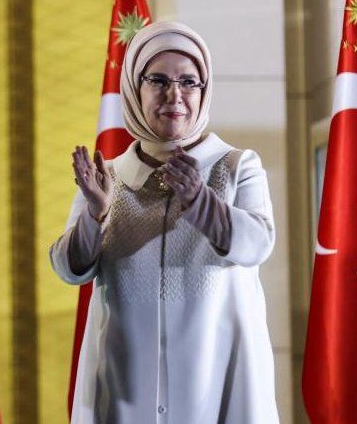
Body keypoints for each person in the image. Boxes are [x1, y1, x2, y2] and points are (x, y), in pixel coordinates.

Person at [50, 21, 278, 423]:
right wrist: (95, 214)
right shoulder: (109, 175)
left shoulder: (237, 166)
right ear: (135, 90)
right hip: (125, 392)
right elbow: (69, 269)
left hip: (215, 385)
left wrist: (202, 201)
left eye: (189, 82)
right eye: (158, 80)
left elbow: (258, 243)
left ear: (204, 92)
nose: (175, 96)